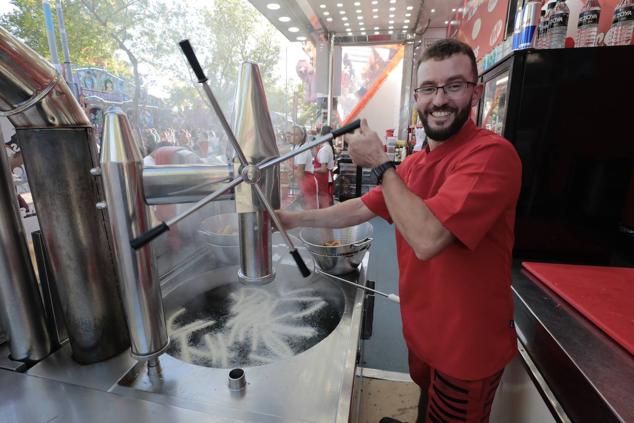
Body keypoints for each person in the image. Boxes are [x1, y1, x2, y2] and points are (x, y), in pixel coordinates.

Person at [277, 39, 522, 423]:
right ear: (416, 97)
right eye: (429, 88)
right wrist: (292, 219)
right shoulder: (415, 166)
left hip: (466, 345)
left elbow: (428, 239)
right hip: (423, 333)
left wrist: (378, 162)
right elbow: (362, 206)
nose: (439, 99)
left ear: (475, 91)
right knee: (427, 403)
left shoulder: (491, 156)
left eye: (453, 85)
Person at [289, 125, 318, 209]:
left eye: (296, 134)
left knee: (309, 210)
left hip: (307, 182)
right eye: (291, 134)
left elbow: (300, 174)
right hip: (303, 182)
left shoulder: (303, 150)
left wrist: (288, 168)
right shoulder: (296, 147)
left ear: (302, 135)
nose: (292, 137)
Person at [313, 125, 335, 208]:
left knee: (324, 200)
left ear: (322, 135)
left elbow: (323, 169)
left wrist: (312, 170)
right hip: (324, 178)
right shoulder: (326, 147)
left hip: (323, 178)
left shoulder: (325, 149)